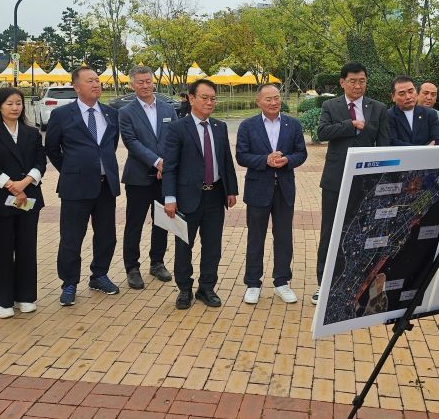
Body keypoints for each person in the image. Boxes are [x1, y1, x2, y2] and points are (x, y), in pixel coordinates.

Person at [45, 66, 121, 306]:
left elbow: (110, 145)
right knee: (71, 237)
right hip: (75, 187)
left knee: (106, 235)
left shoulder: (111, 113)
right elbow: (52, 149)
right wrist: (71, 169)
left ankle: (99, 275)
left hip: (105, 186)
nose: (96, 84)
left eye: (97, 80)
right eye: (90, 81)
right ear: (76, 87)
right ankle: (69, 283)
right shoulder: (62, 115)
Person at [315, 62, 389, 305]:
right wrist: (350, 125)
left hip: (366, 183)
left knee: (361, 232)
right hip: (335, 180)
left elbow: (384, 145)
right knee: (330, 231)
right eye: (353, 81)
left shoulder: (378, 108)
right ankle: (324, 283)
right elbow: (322, 133)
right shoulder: (330, 106)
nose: (358, 86)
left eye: (362, 81)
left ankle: (357, 283)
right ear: (342, 82)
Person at [163, 79, 238, 310]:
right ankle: (184, 289)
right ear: (191, 98)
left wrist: (231, 190)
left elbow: (226, 161)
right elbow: (170, 166)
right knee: (184, 246)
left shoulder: (219, 127)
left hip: (215, 195)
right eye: (204, 97)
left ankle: (206, 287)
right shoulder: (177, 128)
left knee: (212, 246)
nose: (209, 102)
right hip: (186, 198)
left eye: (213, 98)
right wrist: (170, 198)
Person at [0, 88, 46, 318]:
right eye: (9, 103)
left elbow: (40, 161)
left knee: (26, 248)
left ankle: (25, 296)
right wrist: (12, 186)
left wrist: (24, 183)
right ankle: (2, 300)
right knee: (1, 250)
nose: (15, 107)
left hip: (28, 197)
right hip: (0, 199)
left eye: (18, 103)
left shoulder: (31, 133)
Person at [236, 84, 307, 304]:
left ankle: (281, 282)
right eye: (268, 99)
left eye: (276, 98)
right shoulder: (248, 126)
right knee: (255, 237)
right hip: (258, 189)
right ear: (258, 101)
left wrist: (288, 160)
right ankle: (253, 283)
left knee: (284, 237)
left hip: (284, 189)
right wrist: (265, 160)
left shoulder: (292, 124)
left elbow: (301, 153)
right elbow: (241, 156)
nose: (274, 102)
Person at [118, 65, 176, 289]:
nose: (145, 85)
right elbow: (131, 142)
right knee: (135, 223)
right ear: (132, 84)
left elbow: (174, 139)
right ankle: (132, 267)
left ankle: (157, 262)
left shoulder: (168, 109)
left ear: (154, 82)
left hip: (164, 177)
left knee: (162, 221)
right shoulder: (126, 112)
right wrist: (157, 161)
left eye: (148, 81)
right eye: (140, 82)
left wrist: (167, 164)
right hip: (138, 177)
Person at [387, 75, 439, 146]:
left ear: (416, 92)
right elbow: (392, 142)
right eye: (402, 94)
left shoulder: (430, 114)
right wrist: (423, 149)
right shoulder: (388, 115)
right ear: (393, 97)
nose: (408, 97)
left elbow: (438, 140)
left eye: (411, 92)